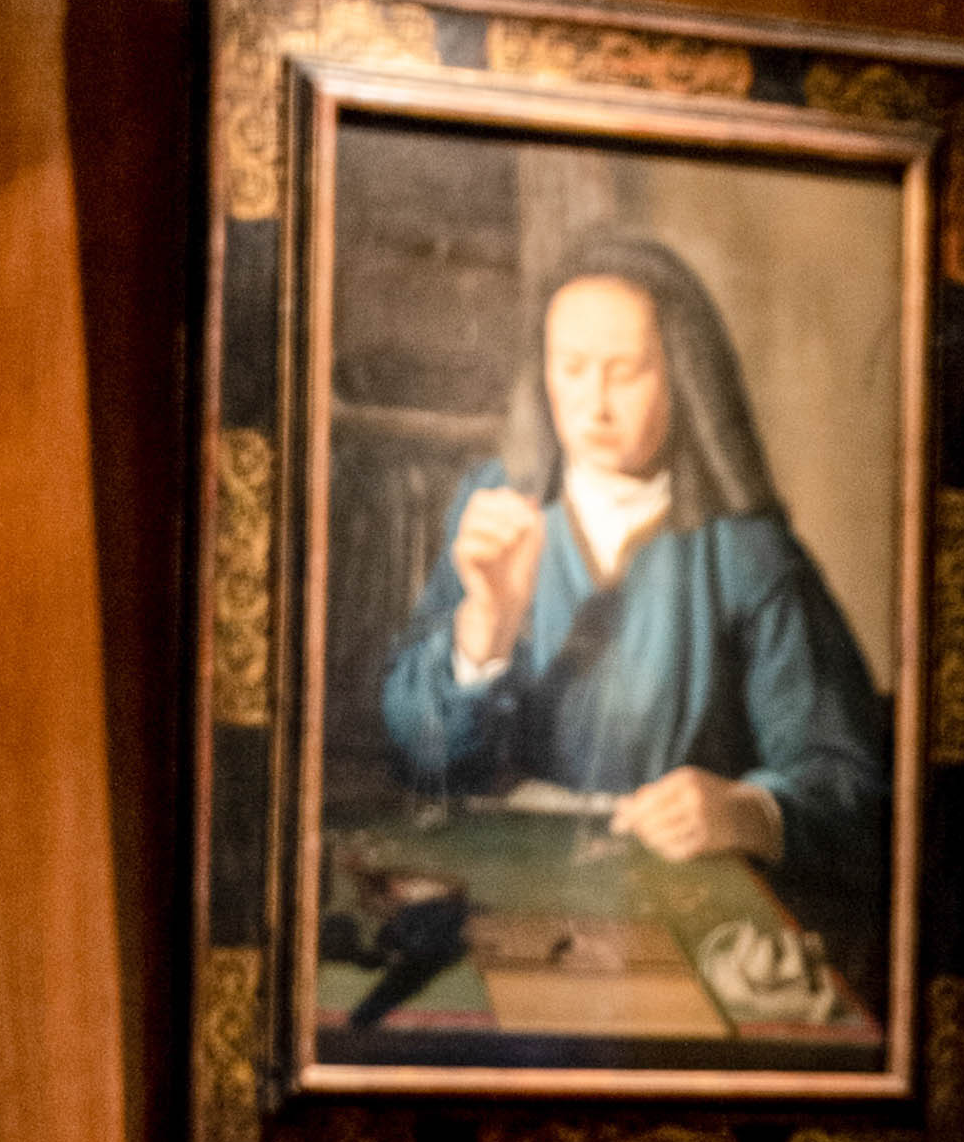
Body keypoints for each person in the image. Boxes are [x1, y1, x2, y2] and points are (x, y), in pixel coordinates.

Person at [381, 236, 894, 1001]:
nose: (592, 403)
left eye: (625, 372)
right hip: (501, 911)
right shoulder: (493, 509)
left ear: (681, 377)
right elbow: (416, 755)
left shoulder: (745, 553)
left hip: (681, 922)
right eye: (571, 367)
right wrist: (484, 624)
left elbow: (851, 779)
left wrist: (748, 810)